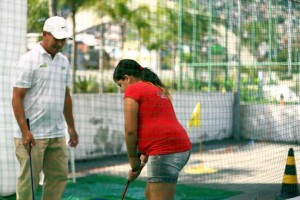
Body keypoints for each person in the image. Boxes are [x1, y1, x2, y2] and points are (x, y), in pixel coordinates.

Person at [12, 16, 78, 200]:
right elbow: (17, 98)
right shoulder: (28, 60)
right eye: (56, 38)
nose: (60, 43)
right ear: (44, 35)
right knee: (29, 182)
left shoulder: (64, 61)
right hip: (32, 135)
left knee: (58, 177)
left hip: (57, 133)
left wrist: (71, 127)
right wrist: (25, 131)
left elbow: (66, 96)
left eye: (63, 39)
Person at [113, 59, 191, 200]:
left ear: (127, 78)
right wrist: (139, 167)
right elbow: (156, 133)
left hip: (166, 151)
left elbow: (130, 131)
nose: (121, 90)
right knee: (150, 196)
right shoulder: (154, 88)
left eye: (120, 85)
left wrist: (133, 161)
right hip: (176, 148)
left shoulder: (133, 89)